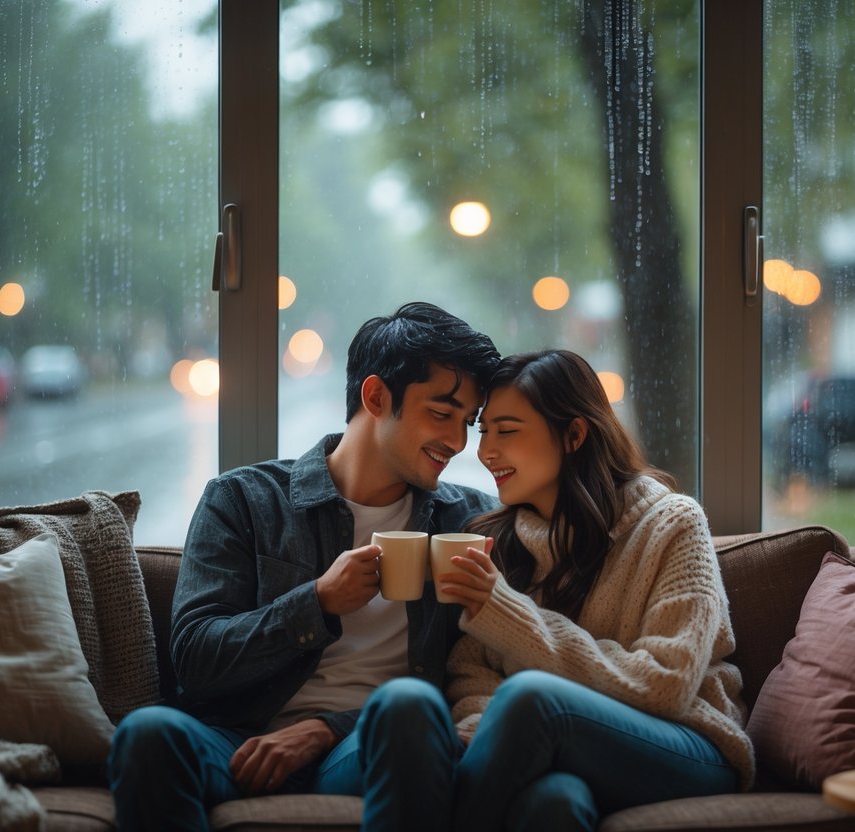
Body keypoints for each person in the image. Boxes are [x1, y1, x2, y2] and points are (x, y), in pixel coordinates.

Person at [106, 302, 501, 832]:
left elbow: (471, 684)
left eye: (466, 422)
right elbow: (196, 661)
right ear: (377, 397)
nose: (457, 442)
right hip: (239, 738)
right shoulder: (243, 500)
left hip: (368, 744)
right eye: (441, 412)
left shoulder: (469, 520)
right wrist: (315, 603)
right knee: (148, 734)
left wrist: (326, 729)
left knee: (408, 707)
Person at [438, 349, 755, 832]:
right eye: (484, 432)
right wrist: (485, 725)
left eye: (506, 430)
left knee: (531, 698)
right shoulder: (501, 540)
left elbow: (666, 684)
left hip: (687, 745)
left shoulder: (672, 524)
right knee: (556, 802)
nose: (484, 451)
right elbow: (470, 673)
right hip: (568, 753)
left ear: (574, 435)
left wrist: (510, 618)